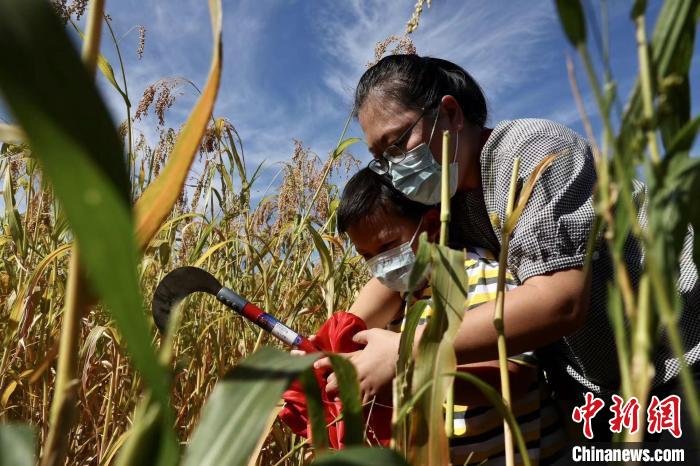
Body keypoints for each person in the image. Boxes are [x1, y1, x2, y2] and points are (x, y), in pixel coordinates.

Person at [315, 54, 700, 442]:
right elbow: (399, 271)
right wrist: (332, 343)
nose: (395, 167)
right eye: (381, 159)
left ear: (450, 114)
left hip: (678, 362)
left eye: (398, 143)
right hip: (596, 388)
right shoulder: (444, 198)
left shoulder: (532, 151)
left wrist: (409, 351)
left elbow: (559, 300)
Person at [335, 167, 567, 464]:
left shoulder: (478, 276)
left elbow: (513, 376)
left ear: (431, 225)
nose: (379, 264)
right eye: (366, 255)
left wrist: (407, 377)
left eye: (387, 247)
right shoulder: (402, 301)